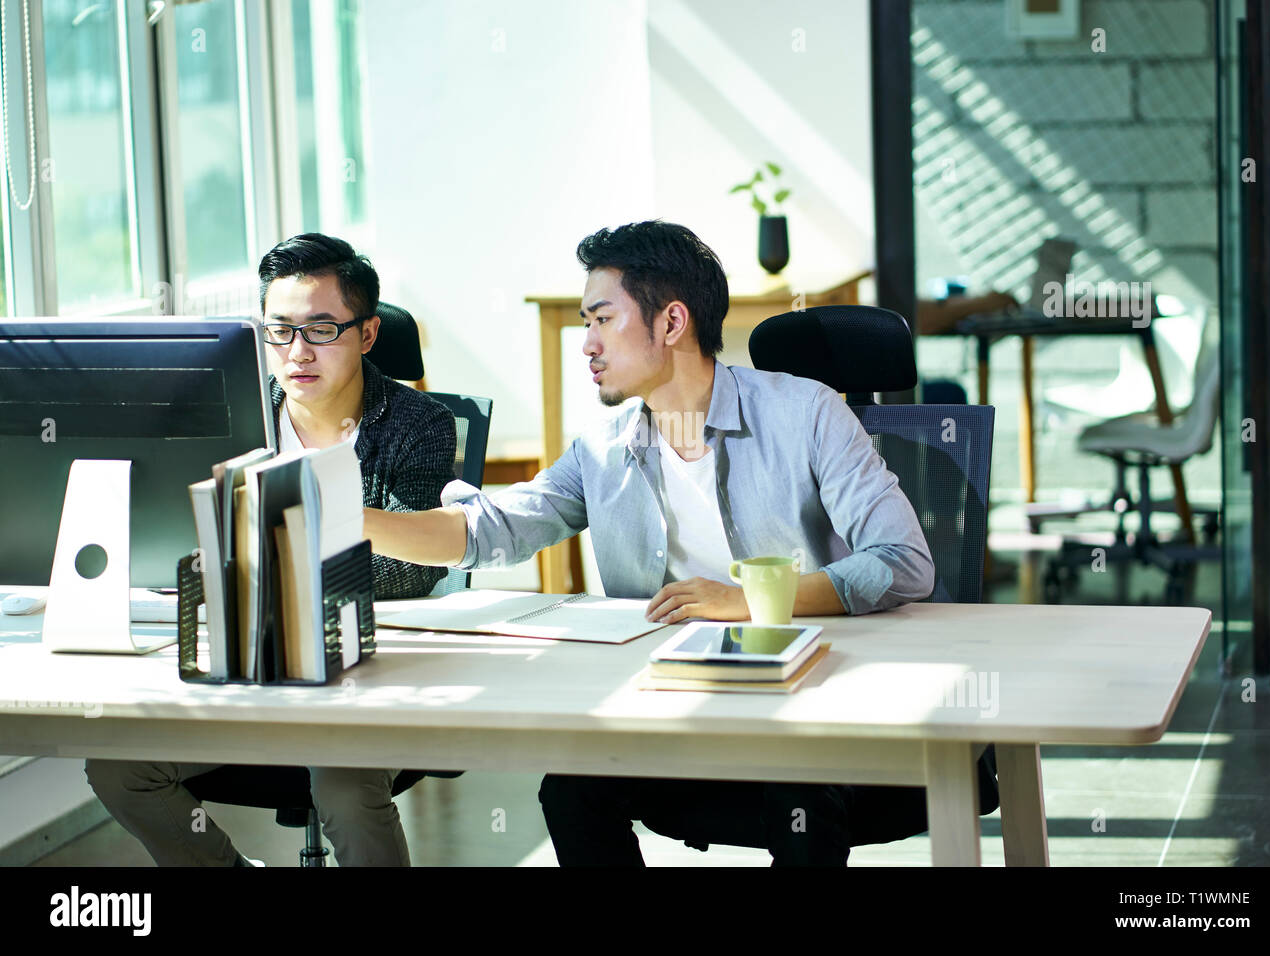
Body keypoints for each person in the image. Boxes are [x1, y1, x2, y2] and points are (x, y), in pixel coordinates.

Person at [365, 220, 993, 865]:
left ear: (671, 322)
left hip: (813, 700)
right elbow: (489, 530)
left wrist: (743, 601)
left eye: (603, 320)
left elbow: (903, 563)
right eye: (586, 323)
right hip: (675, 700)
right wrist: (349, 518)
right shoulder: (604, 447)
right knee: (573, 788)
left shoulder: (806, 412)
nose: (587, 344)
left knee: (799, 791)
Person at [85, 234, 457, 866]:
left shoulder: (418, 423)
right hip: (243, 662)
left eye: (321, 330)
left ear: (367, 335)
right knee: (119, 767)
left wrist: (274, 570)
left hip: (361, 668)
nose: (297, 352)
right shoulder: (234, 414)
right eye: (280, 331)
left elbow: (413, 566)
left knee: (341, 781)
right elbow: (184, 541)